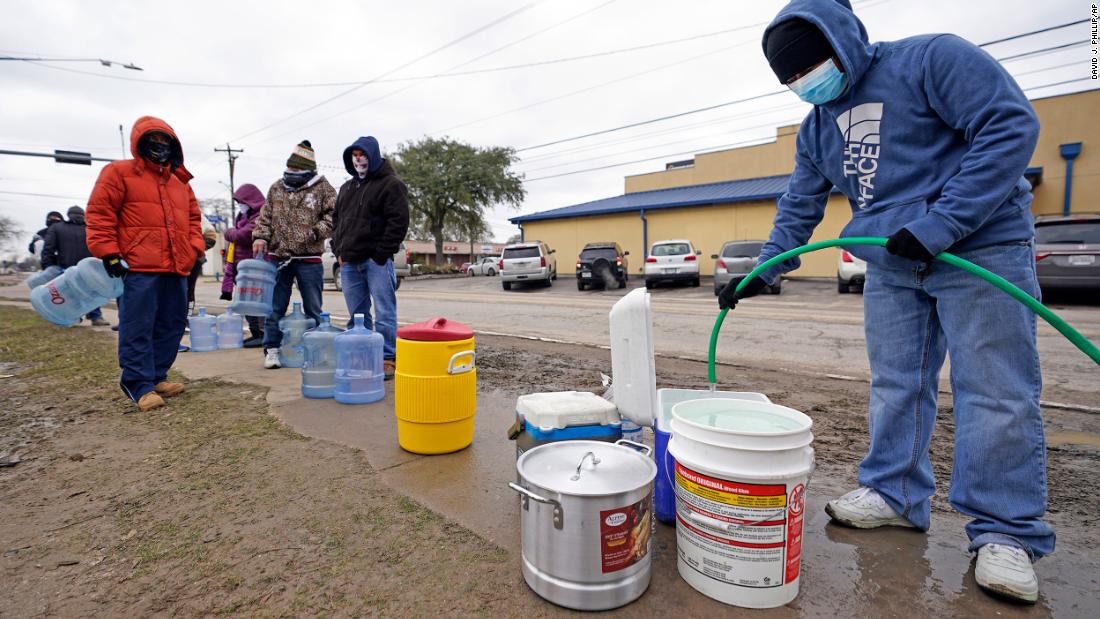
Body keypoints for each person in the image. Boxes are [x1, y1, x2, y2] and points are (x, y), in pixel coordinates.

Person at [721, 0, 1049, 603]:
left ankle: (1006, 532)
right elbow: (800, 205)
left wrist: (943, 222)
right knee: (897, 383)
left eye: (809, 67)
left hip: (979, 249)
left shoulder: (931, 60)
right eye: (790, 79)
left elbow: (1009, 126)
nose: (803, 83)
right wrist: (762, 269)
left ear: (843, 41)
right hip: (894, 266)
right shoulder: (818, 126)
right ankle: (894, 495)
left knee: (995, 391)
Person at [87, 116, 205, 413]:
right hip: (139, 267)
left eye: (166, 141)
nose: (160, 146)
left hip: (177, 266)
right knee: (138, 325)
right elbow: (101, 214)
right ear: (140, 143)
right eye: (154, 140)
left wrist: (194, 249)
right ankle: (138, 384)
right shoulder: (118, 173)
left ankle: (156, 375)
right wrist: (109, 252)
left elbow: (193, 221)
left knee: (172, 324)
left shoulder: (181, 183)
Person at [251, 140, 336, 369]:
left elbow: (333, 216)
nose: (292, 172)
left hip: (308, 259)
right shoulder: (276, 188)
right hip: (278, 258)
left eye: (297, 169)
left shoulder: (323, 188)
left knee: (313, 309)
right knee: (274, 307)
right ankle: (272, 350)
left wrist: (313, 233)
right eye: (291, 168)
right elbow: (265, 217)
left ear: (308, 169)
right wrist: (260, 236)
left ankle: (317, 352)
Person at [332, 136, 409, 380]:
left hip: (376, 262)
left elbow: (398, 222)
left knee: (385, 313)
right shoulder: (346, 188)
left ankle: (388, 358)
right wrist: (338, 251)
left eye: (362, 154)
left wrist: (380, 254)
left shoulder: (391, 184)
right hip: (349, 263)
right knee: (357, 315)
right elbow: (336, 221)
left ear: (373, 155)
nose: (358, 159)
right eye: (354, 155)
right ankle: (362, 356)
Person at [41, 205, 110, 326]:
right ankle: (96, 317)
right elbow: (100, 247)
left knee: (68, 294)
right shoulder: (91, 228)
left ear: (68, 215)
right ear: (83, 215)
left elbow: (48, 249)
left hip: (65, 268)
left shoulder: (57, 228)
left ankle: (72, 317)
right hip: (89, 269)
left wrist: (49, 267)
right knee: (92, 292)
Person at [221, 183, 267, 347]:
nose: (240, 205)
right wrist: (233, 233)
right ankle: (255, 332)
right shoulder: (242, 217)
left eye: (242, 201)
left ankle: (262, 333)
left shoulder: (260, 215)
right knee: (245, 301)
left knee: (256, 301)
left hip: (255, 268)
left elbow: (243, 235)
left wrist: (229, 232)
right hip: (241, 267)